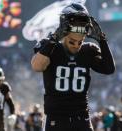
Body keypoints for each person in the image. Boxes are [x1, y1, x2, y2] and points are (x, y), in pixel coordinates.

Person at [31, 3, 115, 131]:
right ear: (63, 31)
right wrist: (53, 38)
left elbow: (109, 69)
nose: (76, 45)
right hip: (55, 118)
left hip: (81, 118)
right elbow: (37, 66)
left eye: (80, 42)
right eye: (72, 41)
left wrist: (102, 40)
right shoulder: (50, 46)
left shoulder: (89, 50)